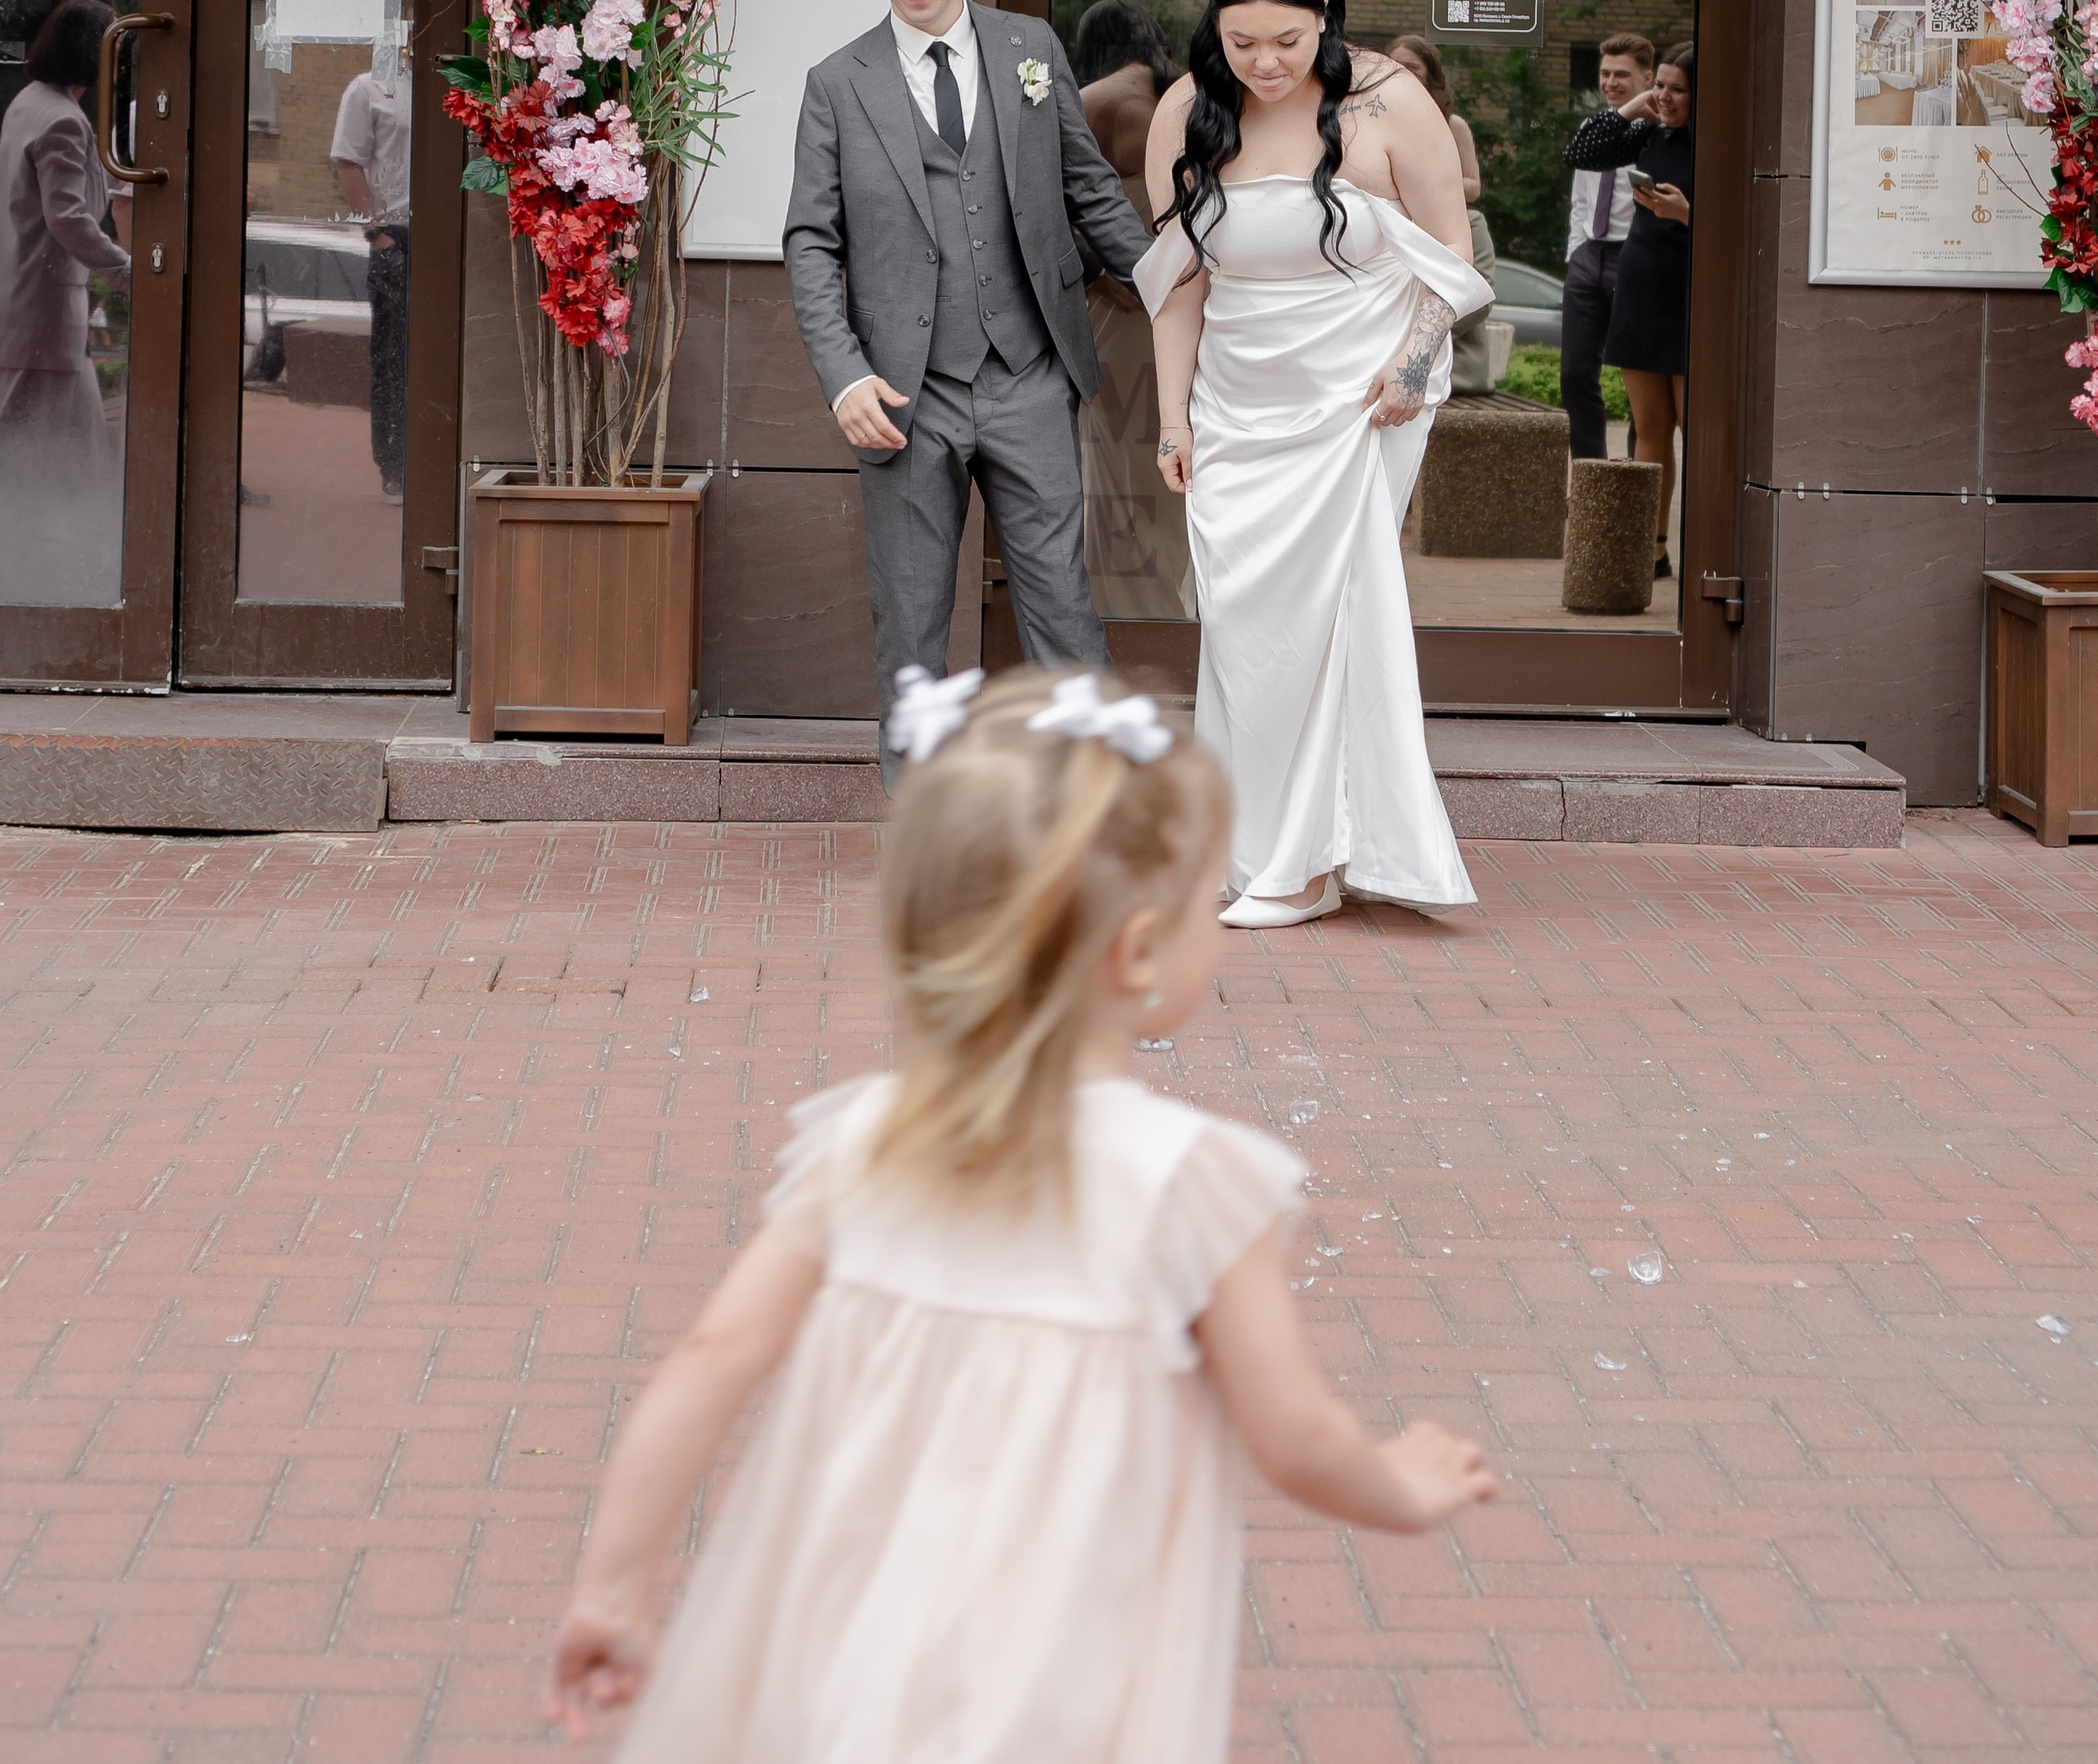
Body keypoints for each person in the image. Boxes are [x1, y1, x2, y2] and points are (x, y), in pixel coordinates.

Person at [547, 663, 1495, 1762]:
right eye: (1205, 902)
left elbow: (712, 1358)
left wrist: (612, 1591)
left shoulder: (867, 1143)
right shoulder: (1187, 1182)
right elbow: (1297, 1439)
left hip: (853, 1650)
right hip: (1061, 1684)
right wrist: (1404, 1489)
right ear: (1138, 951)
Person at [1140, 0, 1492, 927]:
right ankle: (1244, 843)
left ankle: (1306, 862)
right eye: (1241, 39)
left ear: (1325, 16)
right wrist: (1173, 419)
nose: (1264, 63)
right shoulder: (1184, 109)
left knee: (1331, 623)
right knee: (1243, 631)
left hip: (1360, 401)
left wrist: (1414, 365)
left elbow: (1452, 258)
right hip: (1234, 404)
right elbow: (1178, 287)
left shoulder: (1388, 101)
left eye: (1287, 40)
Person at [783, 0, 1151, 785]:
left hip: (1028, 374)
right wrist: (844, 375)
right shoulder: (837, 83)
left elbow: (1090, 192)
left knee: (1063, 607)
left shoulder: (1031, 49)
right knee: (910, 622)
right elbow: (811, 243)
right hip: (904, 394)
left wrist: (1174, 289)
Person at [0, 0, 130, 608]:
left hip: (30, 304)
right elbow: (69, 219)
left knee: (78, 452)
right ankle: (50, 584)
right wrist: (126, 267)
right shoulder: (62, 121)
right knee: (37, 455)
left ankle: (84, 581)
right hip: (44, 313)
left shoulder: (29, 105)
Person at [1074, 0, 1194, 622]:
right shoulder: (1178, 102)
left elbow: (1048, 206)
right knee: (1170, 459)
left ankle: (1126, 614)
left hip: (1114, 308)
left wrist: (1095, 269)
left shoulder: (1090, 102)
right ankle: (1174, 608)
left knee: (1118, 465)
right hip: (1176, 305)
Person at [1564, 42, 1693, 579]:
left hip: (1689, 292)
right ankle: (1652, 548)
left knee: (1693, 427)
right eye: (1658, 84)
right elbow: (1583, 150)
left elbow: (1745, 228)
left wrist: (1688, 213)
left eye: (1676, 89)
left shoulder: (1722, 142)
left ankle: (1701, 545)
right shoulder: (1650, 134)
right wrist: (1637, 105)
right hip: (1641, 288)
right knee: (1649, 427)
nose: (1663, 96)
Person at [1559, 33, 1654, 465]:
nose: (1611, 82)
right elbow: (1580, 194)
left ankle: (1638, 470)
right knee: (1576, 372)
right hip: (1588, 255)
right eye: (1605, 74)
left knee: (1639, 373)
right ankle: (1589, 470)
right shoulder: (1593, 129)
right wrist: (1576, 250)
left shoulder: (1653, 133)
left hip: (1633, 257)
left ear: (1647, 79)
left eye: (1622, 75)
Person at [1387, 33, 1496, 393]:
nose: (1401, 74)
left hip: (1453, 367)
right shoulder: (1379, 122)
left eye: (1412, 69)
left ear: (1431, 76)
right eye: (1395, 66)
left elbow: (1472, 186)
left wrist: (1421, 182)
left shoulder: (1453, 125)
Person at [330, 61, 412, 501]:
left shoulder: (469, 82)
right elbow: (348, 160)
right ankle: (394, 464)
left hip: (449, 235)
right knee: (392, 354)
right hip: (394, 235)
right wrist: (377, 234)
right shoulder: (370, 88)